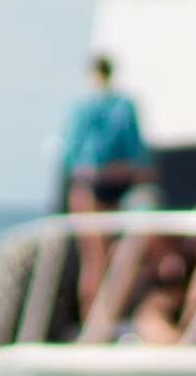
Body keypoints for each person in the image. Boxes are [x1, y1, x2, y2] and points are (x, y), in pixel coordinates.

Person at [57, 53, 151, 307]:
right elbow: (136, 152)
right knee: (101, 258)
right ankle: (99, 315)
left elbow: (72, 155)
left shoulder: (86, 108)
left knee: (98, 259)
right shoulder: (120, 107)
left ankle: (97, 316)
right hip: (107, 183)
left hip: (96, 184)